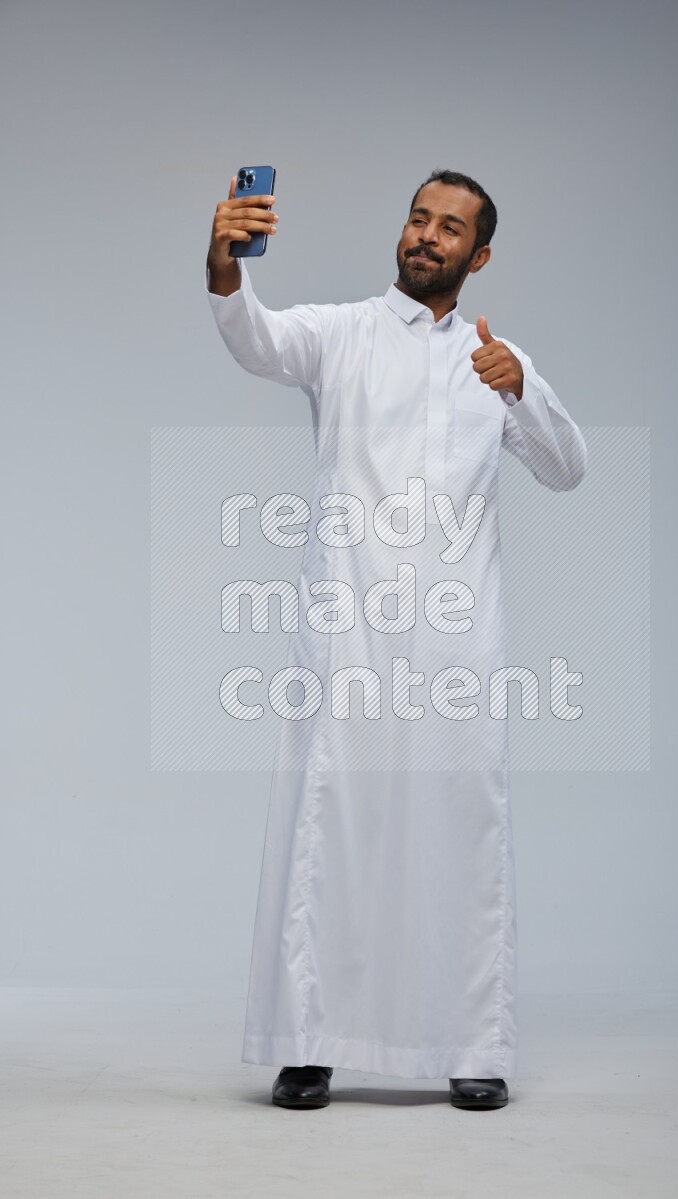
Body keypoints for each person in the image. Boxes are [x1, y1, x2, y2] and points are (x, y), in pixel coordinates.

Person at [205, 168, 587, 1111]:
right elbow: (256, 339)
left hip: (456, 648)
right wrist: (224, 266)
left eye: (449, 228)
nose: (426, 235)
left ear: (478, 257)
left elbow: (566, 467)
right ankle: (309, 1044)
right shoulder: (343, 333)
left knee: (462, 830)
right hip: (348, 636)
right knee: (330, 827)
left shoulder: (495, 360)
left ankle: (472, 1045)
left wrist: (525, 392)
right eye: (419, 218)